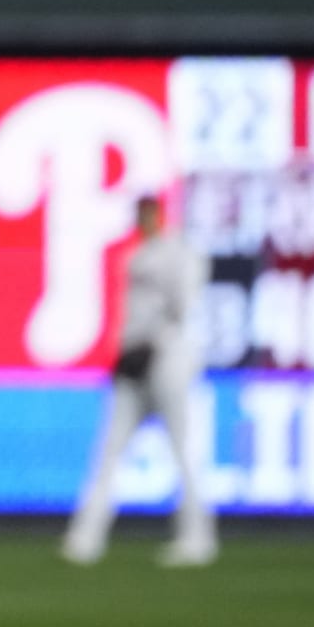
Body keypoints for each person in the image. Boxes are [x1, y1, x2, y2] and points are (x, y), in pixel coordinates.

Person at [62, 195, 216, 568]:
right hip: (134, 361)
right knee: (110, 449)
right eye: (140, 214)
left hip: (169, 359)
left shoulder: (179, 252)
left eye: (150, 213)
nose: (144, 220)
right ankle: (86, 537)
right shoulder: (135, 256)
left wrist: (156, 342)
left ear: (162, 215)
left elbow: (184, 308)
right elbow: (131, 316)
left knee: (182, 451)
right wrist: (126, 353)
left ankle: (197, 537)